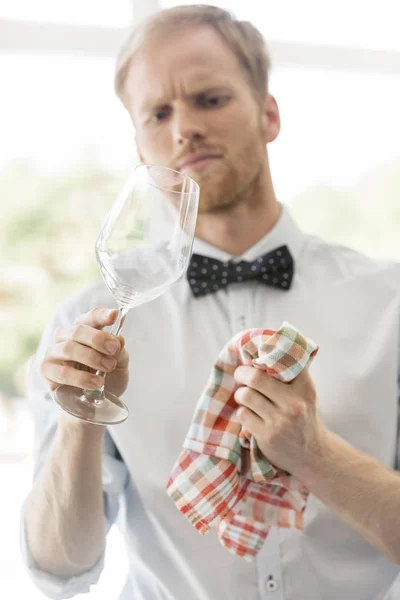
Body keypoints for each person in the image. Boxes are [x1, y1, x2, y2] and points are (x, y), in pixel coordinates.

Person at [20, 5, 400, 600]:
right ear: (141, 147)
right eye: (158, 113)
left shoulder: (390, 303)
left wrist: (316, 456)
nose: (184, 129)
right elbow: (58, 568)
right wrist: (77, 423)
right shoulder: (86, 324)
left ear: (268, 114)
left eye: (210, 99)